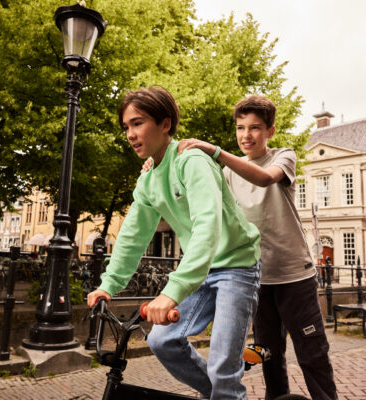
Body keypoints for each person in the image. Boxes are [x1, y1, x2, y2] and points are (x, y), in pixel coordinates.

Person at [87, 86, 262, 400]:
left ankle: (224, 391)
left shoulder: (191, 161)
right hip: (203, 270)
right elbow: (133, 235)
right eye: (126, 127)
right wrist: (109, 284)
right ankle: (222, 395)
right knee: (161, 341)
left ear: (165, 124)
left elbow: (208, 225)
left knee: (223, 365)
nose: (130, 134)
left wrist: (172, 292)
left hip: (237, 265)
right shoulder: (148, 179)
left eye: (138, 123)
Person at [175, 95, 338, 400]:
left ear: (270, 131)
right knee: (268, 356)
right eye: (240, 128)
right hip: (255, 278)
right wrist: (158, 164)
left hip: (294, 275)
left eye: (255, 128)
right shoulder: (226, 173)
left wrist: (214, 151)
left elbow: (264, 179)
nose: (246, 135)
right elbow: (191, 196)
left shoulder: (283, 156)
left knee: (312, 354)